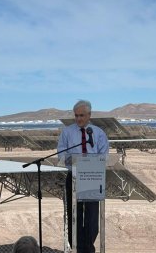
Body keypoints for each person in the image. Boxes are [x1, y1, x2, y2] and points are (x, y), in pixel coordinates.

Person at [57, 100, 109, 253]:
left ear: (89, 115)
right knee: (74, 215)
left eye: (82, 115)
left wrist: (89, 164)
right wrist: (75, 162)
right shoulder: (67, 132)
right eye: (76, 115)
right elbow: (61, 153)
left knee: (92, 217)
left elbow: (104, 155)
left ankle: (88, 248)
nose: (79, 119)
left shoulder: (98, 133)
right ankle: (77, 247)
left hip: (92, 176)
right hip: (73, 176)